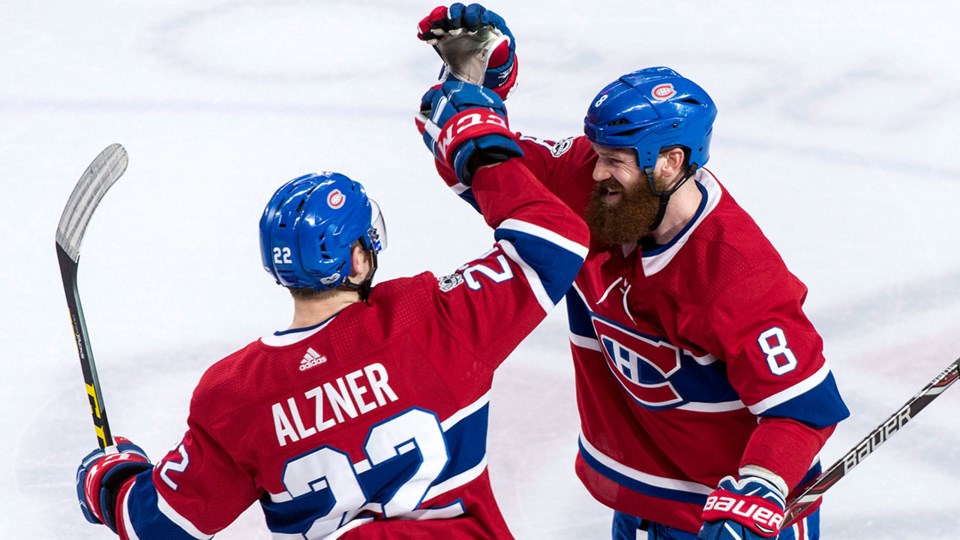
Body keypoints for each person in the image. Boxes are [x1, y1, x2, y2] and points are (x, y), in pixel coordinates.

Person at [75, 83, 589, 539]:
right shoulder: (429, 316)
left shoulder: (235, 395)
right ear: (360, 257)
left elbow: (158, 527)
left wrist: (111, 480)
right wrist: (475, 138)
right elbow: (556, 243)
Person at [418, 4, 850, 540]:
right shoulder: (600, 188)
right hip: (644, 498)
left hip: (719, 516)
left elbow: (803, 409)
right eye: (597, 154)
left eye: (614, 159)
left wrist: (758, 487)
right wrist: (474, 82)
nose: (595, 170)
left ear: (669, 161)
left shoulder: (735, 274)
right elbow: (486, 167)